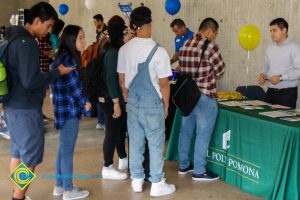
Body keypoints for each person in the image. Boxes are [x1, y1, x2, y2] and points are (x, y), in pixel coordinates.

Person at [3, 2, 73, 200]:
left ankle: (17, 193)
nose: (49, 31)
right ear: (36, 21)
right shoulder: (27, 43)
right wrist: (56, 73)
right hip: (25, 109)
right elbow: (30, 80)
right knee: (31, 157)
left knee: (17, 153)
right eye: (48, 26)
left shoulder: (12, 39)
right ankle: (18, 197)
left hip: (11, 106)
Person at [118, 6, 176, 197]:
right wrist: (166, 105)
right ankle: (157, 182)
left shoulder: (124, 49)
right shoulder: (159, 51)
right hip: (153, 105)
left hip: (133, 103)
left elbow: (122, 82)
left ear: (133, 26)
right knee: (156, 143)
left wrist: (128, 100)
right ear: (150, 24)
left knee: (135, 143)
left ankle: (136, 181)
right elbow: (165, 84)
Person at [177, 18, 225, 181]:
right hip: (205, 96)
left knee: (185, 132)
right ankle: (199, 170)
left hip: (187, 97)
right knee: (202, 134)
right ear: (210, 30)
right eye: (215, 33)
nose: (215, 36)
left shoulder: (184, 45)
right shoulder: (210, 46)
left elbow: (182, 69)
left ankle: (183, 165)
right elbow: (220, 71)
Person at [52, 25, 91, 200]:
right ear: (71, 40)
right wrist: (86, 104)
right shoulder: (68, 60)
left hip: (63, 110)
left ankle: (60, 186)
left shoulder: (62, 56)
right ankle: (68, 190)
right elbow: (74, 87)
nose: (84, 41)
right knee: (67, 150)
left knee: (63, 149)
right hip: (69, 111)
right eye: (80, 38)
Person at [100, 21, 129, 180]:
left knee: (118, 130)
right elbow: (111, 80)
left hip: (115, 99)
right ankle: (107, 166)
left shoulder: (118, 51)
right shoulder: (114, 53)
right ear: (119, 35)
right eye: (125, 33)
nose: (129, 35)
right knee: (111, 132)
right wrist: (117, 103)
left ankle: (123, 159)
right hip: (111, 100)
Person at [259, 18, 300, 108]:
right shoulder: (269, 48)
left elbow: (299, 72)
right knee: (264, 118)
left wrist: (281, 78)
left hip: (287, 94)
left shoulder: (294, 48)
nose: (272, 34)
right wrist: (262, 74)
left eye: (275, 30)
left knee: (281, 121)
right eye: (271, 31)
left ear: (284, 30)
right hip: (270, 91)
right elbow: (266, 67)